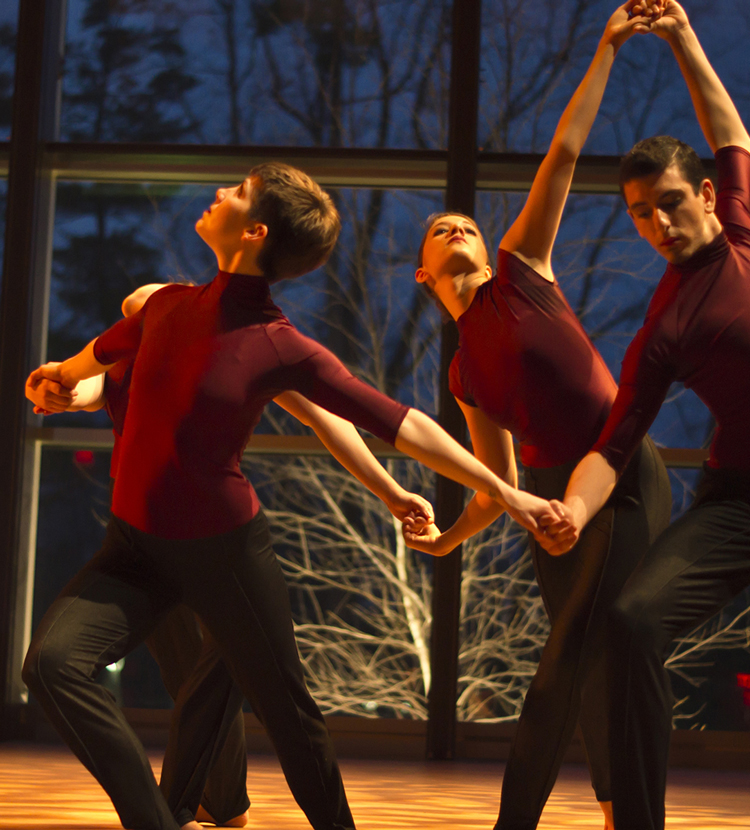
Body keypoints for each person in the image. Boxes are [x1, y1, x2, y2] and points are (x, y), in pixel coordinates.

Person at [22, 161, 567, 830]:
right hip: (134, 545)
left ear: (252, 232)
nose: (220, 190)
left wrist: (505, 494)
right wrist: (53, 380)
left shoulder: (278, 344)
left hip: (225, 556)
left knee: (290, 719)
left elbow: (400, 423)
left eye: (238, 191)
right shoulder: (163, 305)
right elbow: (88, 366)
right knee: (51, 665)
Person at [544, 4, 750, 828]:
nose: (658, 224)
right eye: (639, 214)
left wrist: (685, 40)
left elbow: (732, 133)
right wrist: (573, 511)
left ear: (710, 199)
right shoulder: (665, 328)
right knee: (631, 618)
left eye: (670, 203)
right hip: (744, 504)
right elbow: (615, 442)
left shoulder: (746, 230)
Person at [26, 281, 438, 829]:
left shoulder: (224, 341)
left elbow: (326, 416)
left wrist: (390, 491)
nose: (146, 299)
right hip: (144, 541)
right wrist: (54, 388)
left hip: (217, 539)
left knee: (235, 674)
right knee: (185, 674)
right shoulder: (126, 351)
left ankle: (219, 805)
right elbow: (80, 385)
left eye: (161, 293)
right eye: (139, 300)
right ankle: (206, 807)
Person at [403, 5, 671, 829]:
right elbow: (495, 485)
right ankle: (621, 805)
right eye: (438, 230)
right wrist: (446, 542)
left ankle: (516, 817)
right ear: (424, 278)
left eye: (466, 223)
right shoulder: (459, 372)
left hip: (617, 477)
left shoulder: (522, 270)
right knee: (595, 663)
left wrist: (606, 47)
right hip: (548, 506)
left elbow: (563, 149)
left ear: (489, 250)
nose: (454, 224)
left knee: (567, 660)